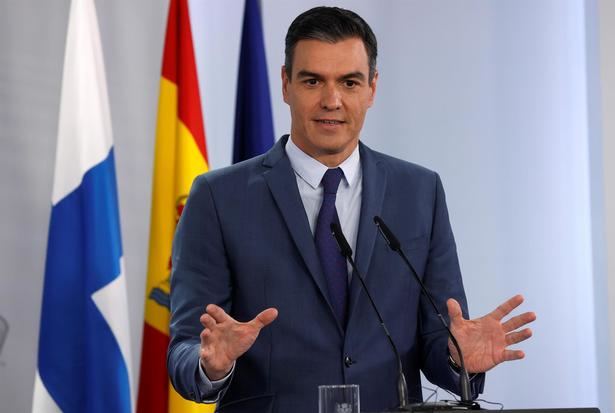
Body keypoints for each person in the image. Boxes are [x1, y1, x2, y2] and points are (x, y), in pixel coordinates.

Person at [167, 6, 536, 413]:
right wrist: (211, 365)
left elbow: (438, 340)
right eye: (313, 81)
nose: (332, 100)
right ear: (286, 84)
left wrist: (457, 355)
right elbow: (185, 347)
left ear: (372, 89)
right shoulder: (219, 197)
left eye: (349, 82)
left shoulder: (419, 192)